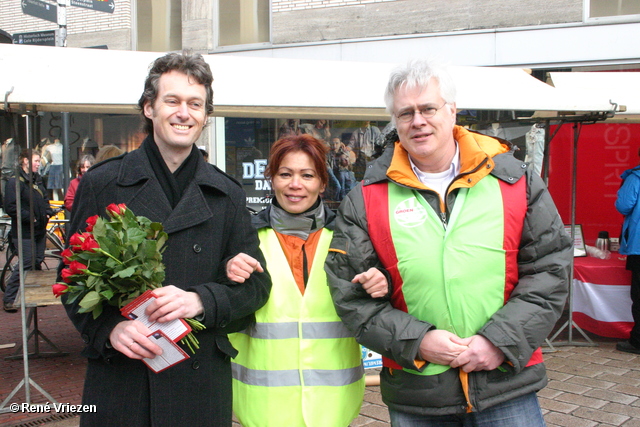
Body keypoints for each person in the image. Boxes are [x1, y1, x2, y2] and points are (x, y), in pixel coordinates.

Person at [325, 59, 572, 426]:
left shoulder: (514, 181)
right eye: (405, 113)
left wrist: (498, 342)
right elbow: (350, 294)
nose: (418, 121)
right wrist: (417, 341)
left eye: (428, 108)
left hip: (504, 383)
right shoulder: (366, 198)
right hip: (418, 391)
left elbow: (550, 269)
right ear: (394, 122)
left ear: (452, 110)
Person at [63, 51, 272, 426]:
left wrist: (200, 299)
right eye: (172, 100)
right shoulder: (102, 183)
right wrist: (109, 330)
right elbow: (71, 280)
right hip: (124, 378)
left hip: (199, 381)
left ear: (206, 116)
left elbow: (256, 287)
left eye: (195, 104)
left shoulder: (226, 193)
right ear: (149, 107)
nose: (184, 113)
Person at [226, 134, 368, 427]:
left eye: (307, 175)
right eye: (285, 174)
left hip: (334, 408)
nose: (295, 185)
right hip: (262, 408)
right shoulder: (243, 240)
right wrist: (224, 274)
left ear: (322, 182)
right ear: (271, 179)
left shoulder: (347, 239)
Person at [3, 149, 54, 312]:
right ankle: (9, 299)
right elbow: (10, 206)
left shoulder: (37, 179)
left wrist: (47, 211)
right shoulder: (15, 181)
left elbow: (44, 198)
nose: (39, 164)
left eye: (39, 161)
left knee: (37, 260)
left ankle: (34, 295)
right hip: (24, 231)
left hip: (39, 229)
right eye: (36, 160)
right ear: (25, 160)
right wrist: (29, 217)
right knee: (26, 262)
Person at [615, 152, 640, 354]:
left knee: (639, 296)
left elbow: (623, 205)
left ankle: (638, 341)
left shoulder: (635, 177)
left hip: (639, 246)